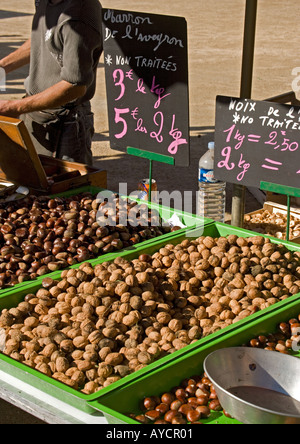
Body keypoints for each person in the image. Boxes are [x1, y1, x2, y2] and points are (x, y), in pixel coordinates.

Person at [0, 0, 103, 166]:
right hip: (35, 113)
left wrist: (12, 107)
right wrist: (3, 67)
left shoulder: (78, 16)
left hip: (65, 123)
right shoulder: (45, 2)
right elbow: (43, 38)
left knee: (67, 189)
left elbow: (74, 87)